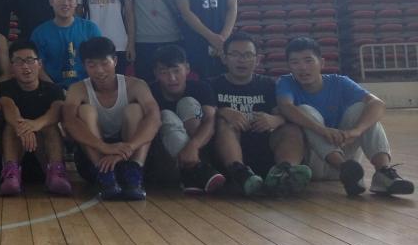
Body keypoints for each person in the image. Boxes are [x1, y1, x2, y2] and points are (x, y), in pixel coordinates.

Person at [276, 37, 413, 197]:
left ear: (322, 63)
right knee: (305, 110)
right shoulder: (286, 83)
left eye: (308, 60)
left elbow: (378, 104)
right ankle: (344, 170)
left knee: (362, 109)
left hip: (348, 157)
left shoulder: (340, 82)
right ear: (289, 67)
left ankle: (383, 173)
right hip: (314, 163)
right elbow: (286, 107)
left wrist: (356, 131)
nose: (302, 68)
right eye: (295, 62)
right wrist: (322, 130)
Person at [212, 32, 310, 197]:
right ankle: (240, 174)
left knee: (292, 128)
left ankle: (284, 173)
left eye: (247, 55)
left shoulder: (269, 85)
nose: (241, 60)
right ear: (224, 58)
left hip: (265, 147)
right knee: (224, 123)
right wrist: (222, 111)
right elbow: (203, 117)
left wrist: (275, 120)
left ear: (257, 60)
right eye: (235, 54)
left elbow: (286, 114)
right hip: (227, 154)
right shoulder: (212, 85)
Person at [63, 37, 161, 201]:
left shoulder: (136, 85)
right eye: (92, 65)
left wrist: (128, 148)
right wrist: (103, 147)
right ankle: (104, 174)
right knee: (85, 111)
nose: (99, 71)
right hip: (94, 158)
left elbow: (155, 119)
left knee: (135, 110)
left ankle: (134, 172)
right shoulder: (77, 89)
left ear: (115, 61)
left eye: (104, 63)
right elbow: (69, 122)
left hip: (131, 153)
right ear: (84, 66)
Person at [0, 41, 70, 196]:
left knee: (50, 125)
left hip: (44, 157)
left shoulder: (53, 89)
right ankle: (11, 174)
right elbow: (8, 106)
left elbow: (56, 112)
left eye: (30, 60)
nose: (25, 66)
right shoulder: (5, 87)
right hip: (17, 154)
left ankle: (56, 172)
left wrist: (35, 125)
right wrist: (23, 128)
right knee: (11, 126)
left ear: (39, 64)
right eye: (19, 62)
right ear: (11, 67)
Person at [150, 44, 225, 195]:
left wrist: (193, 146)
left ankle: (193, 173)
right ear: (156, 73)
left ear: (187, 69)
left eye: (176, 71)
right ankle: (197, 170)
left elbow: (210, 121)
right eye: (164, 72)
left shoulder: (201, 88)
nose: (172, 78)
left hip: (202, 150)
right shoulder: (150, 92)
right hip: (168, 161)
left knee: (187, 103)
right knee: (165, 116)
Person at [30, 0, 102, 89]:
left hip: (88, 88)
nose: (65, 3)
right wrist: (55, 90)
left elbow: (99, 60)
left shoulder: (90, 29)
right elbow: (37, 67)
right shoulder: (39, 33)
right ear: (51, 1)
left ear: (76, 2)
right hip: (53, 90)